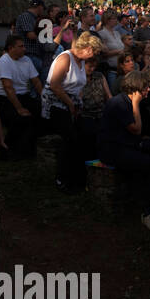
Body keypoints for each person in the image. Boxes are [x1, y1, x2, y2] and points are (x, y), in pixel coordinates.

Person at [98, 70, 150, 231]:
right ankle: (148, 211)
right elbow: (136, 129)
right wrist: (136, 103)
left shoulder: (133, 102)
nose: (148, 90)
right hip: (113, 150)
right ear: (136, 88)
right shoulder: (119, 103)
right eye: (145, 87)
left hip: (128, 145)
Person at [42, 33, 104, 192]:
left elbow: (79, 86)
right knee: (70, 139)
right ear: (88, 48)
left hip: (73, 103)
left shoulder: (82, 61)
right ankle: (62, 178)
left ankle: (81, 177)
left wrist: (77, 103)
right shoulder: (65, 58)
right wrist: (70, 104)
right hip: (55, 102)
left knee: (88, 135)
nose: (94, 56)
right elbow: (55, 85)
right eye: (94, 52)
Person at [0, 36, 43, 159]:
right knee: (19, 118)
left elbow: (36, 82)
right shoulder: (4, 61)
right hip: (5, 98)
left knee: (39, 112)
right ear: (11, 48)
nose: (24, 49)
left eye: (24, 46)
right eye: (21, 46)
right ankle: (7, 149)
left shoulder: (27, 60)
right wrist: (19, 108)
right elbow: (8, 87)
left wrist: (45, 100)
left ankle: (28, 149)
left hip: (24, 95)